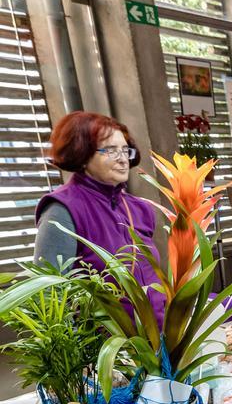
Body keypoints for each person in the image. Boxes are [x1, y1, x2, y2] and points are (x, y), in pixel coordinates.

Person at [35, 110, 166, 320]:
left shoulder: (140, 209)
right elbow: (50, 297)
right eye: (111, 150)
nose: (123, 159)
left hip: (157, 338)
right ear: (82, 154)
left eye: (126, 150)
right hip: (106, 347)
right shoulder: (62, 210)